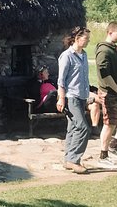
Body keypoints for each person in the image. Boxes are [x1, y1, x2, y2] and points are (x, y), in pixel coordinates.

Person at [56, 26, 92, 174]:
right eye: (86, 38)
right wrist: (61, 99)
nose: (88, 41)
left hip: (82, 96)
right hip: (71, 97)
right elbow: (61, 80)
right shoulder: (66, 56)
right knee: (83, 127)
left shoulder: (83, 55)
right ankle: (73, 160)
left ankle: (68, 159)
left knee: (73, 128)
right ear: (77, 38)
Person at [95, 21, 117, 168]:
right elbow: (105, 74)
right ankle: (103, 156)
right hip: (109, 93)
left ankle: (112, 147)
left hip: (114, 92)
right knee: (109, 124)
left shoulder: (112, 49)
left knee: (113, 123)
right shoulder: (104, 51)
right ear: (111, 32)